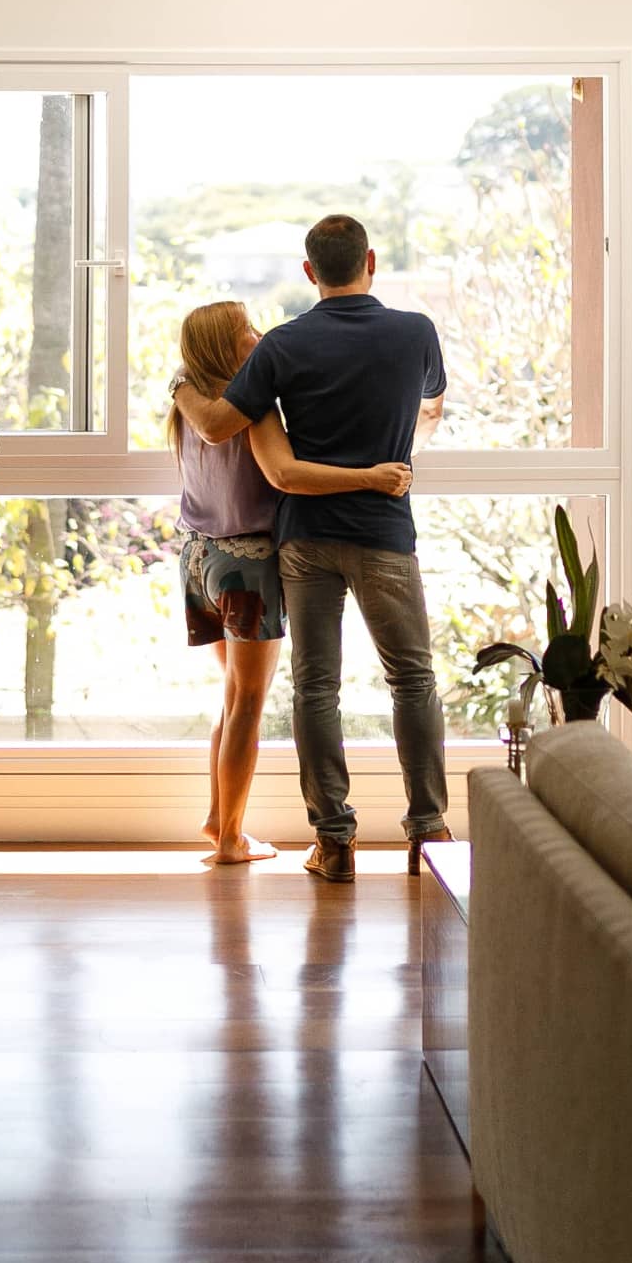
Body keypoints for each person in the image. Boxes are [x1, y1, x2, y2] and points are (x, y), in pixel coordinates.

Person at [173, 216, 448, 884]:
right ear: (372, 261)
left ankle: (334, 841)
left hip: (303, 543)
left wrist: (179, 385)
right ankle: (428, 832)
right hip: (383, 533)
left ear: (308, 272)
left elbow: (218, 425)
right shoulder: (416, 332)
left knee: (314, 689)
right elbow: (432, 407)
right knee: (411, 681)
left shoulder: (282, 346)